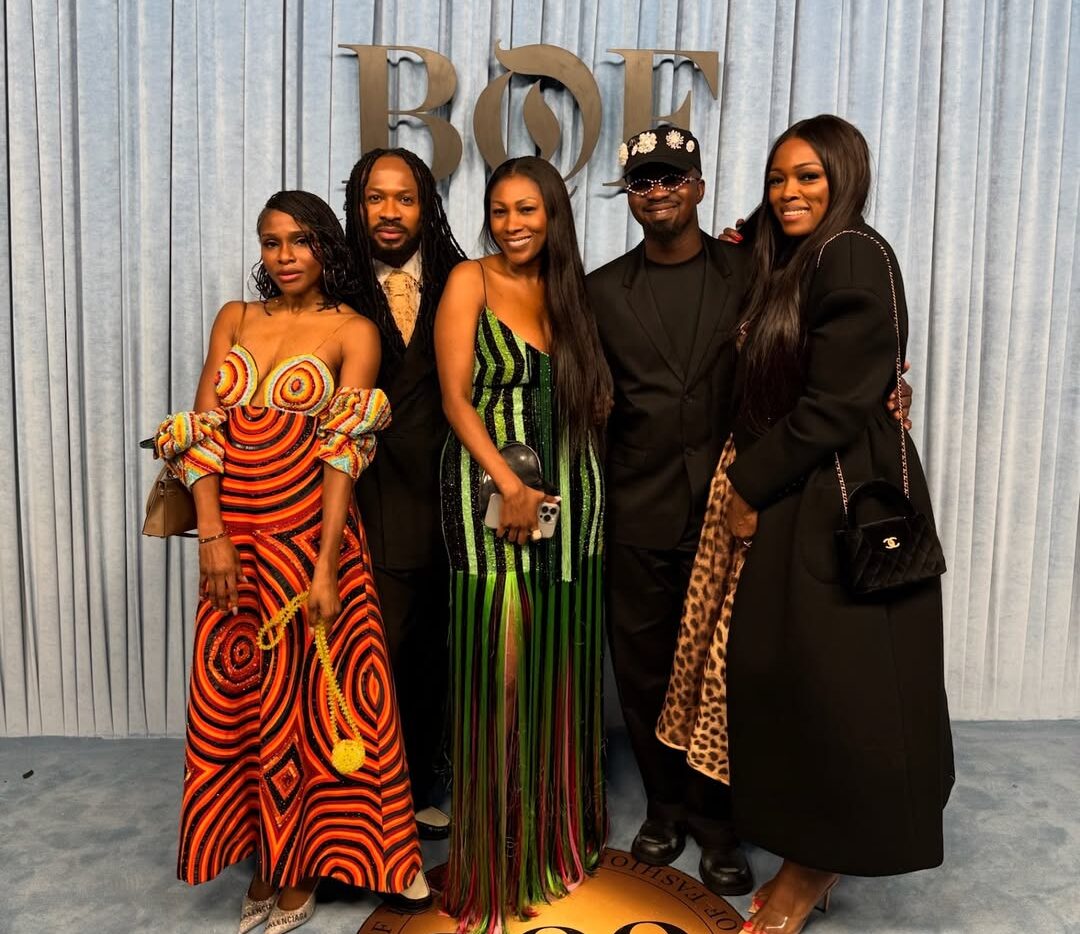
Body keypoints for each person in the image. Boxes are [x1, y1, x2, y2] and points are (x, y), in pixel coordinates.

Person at [663, 114, 953, 934]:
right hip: (799, 484)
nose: (788, 192)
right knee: (792, 684)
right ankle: (809, 848)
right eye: (778, 178)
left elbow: (835, 402)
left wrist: (747, 487)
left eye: (808, 177)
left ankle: (811, 869)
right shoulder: (797, 257)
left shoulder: (852, 252)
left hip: (832, 496)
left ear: (845, 177)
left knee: (839, 692)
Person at [157, 190, 430, 934]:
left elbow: (344, 455)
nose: (284, 256)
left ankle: (303, 866)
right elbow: (201, 431)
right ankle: (266, 855)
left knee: (318, 709)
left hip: (311, 543)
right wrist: (212, 535)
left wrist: (326, 567)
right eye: (271, 241)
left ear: (326, 248)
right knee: (245, 702)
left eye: (300, 241)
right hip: (234, 547)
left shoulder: (354, 330)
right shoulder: (234, 318)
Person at [434, 156, 612, 932]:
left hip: (574, 501)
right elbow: (454, 399)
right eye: (500, 210)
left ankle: (547, 835)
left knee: (558, 664)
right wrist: (508, 483)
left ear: (553, 216)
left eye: (527, 210)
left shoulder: (572, 292)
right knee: (501, 670)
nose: (511, 224)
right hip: (491, 496)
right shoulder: (468, 280)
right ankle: (492, 853)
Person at [585, 125, 756, 896]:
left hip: (729, 508)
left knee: (722, 673)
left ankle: (719, 823)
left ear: (699, 186)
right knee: (645, 668)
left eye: (672, 178)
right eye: (643, 181)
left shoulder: (750, 274)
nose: (658, 192)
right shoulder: (601, 291)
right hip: (639, 506)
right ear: (630, 196)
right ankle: (664, 806)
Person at [344, 148, 466, 840]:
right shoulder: (333, 281)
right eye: (375, 198)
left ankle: (417, 787)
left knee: (431, 653)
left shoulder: (460, 278)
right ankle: (357, 804)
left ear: (426, 206)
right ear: (357, 207)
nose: (390, 213)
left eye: (405, 198)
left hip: (448, 498)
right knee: (369, 653)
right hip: (359, 499)